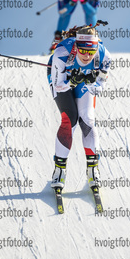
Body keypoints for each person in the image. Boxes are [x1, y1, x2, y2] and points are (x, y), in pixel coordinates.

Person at [47, 24, 110, 191]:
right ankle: (59, 171)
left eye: (91, 51)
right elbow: (58, 85)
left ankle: (92, 169)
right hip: (61, 79)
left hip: (82, 84)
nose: (87, 56)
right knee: (70, 120)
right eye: (83, 51)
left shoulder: (103, 56)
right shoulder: (62, 54)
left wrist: (90, 81)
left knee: (87, 119)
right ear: (76, 45)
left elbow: (100, 88)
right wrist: (71, 81)